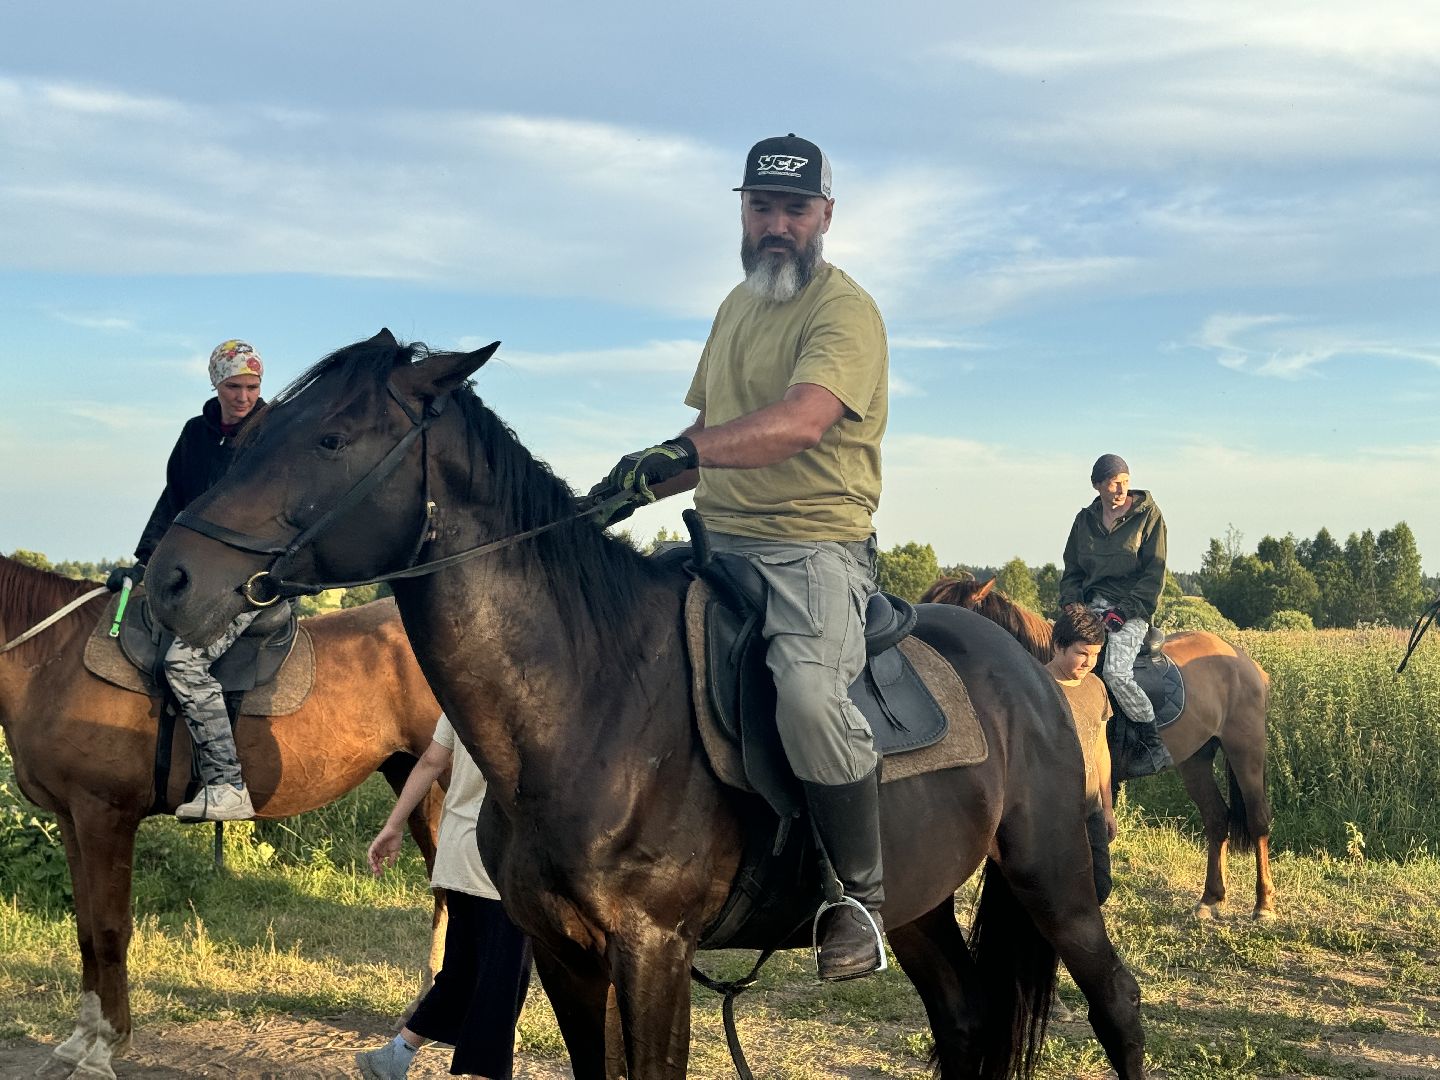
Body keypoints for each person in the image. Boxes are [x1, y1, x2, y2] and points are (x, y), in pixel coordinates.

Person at [589, 133, 890, 981]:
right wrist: (620, 493)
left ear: (825, 215)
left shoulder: (844, 310)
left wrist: (677, 452)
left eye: (796, 209)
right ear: (743, 212)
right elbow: (701, 442)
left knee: (805, 697)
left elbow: (798, 422)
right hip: (717, 545)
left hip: (811, 549)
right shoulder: (734, 306)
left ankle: (860, 899)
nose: (777, 225)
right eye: (763, 207)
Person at [108, 340, 267, 821]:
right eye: (234, 386)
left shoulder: (275, 435)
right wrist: (143, 561)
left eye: (253, 387)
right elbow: (173, 500)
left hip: (253, 582)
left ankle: (226, 785)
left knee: (184, 663)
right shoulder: (195, 435)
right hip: (202, 579)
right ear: (215, 384)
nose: (244, 397)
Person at [357, 714, 532, 1080]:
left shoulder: (458, 694)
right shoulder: (526, 697)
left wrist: (393, 826)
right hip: (499, 860)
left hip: (458, 852)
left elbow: (430, 762)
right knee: (500, 985)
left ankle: (395, 1054)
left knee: (460, 972)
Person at [1058, 453, 1172, 777]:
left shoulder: (1148, 516)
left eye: (1125, 481)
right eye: (1113, 483)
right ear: (1097, 486)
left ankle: (1153, 742)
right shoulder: (1084, 521)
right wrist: (1070, 604)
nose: (1121, 489)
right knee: (1058, 656)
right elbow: (1072, 571)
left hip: (1132, 607)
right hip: (1091, 605)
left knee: (1115, 673)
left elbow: (1154, 575)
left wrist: (1124, 611)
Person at [1045, 605, 1117, 906]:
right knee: (1054, 891)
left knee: (1100, 886)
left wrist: (1108, 808)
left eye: (1096, 654)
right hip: (1049, 814)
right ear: (1058, 645)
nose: (1090, 662)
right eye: (1082, 653)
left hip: (1090, 809)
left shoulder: (1096, 687)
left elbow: (1100, 748)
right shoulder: (1036, 685)